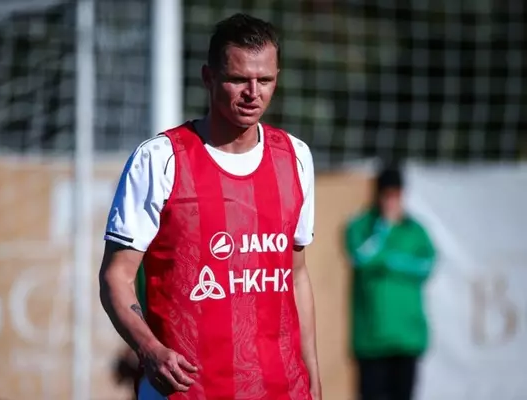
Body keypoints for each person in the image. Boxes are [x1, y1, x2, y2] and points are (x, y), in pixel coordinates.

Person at [99, 13, 321, 400]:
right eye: (238, 79)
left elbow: (297, 275)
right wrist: (149, 349)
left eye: (265, 80)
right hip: (186, 391)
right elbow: (116, 276)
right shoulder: (160, 159)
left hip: (282, 390)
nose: (253, 93)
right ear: (208, 77)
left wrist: (312, 380)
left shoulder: (295, 157)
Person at [344, 166, 436, 400]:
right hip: (371, 339)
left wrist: (391, 261)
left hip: (407, 338)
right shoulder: (362, 226)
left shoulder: (415, 230)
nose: (391, 201)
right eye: (386, 194)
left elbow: (427, 265)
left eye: (396, 194)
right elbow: (359, 257)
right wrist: (383, 229)